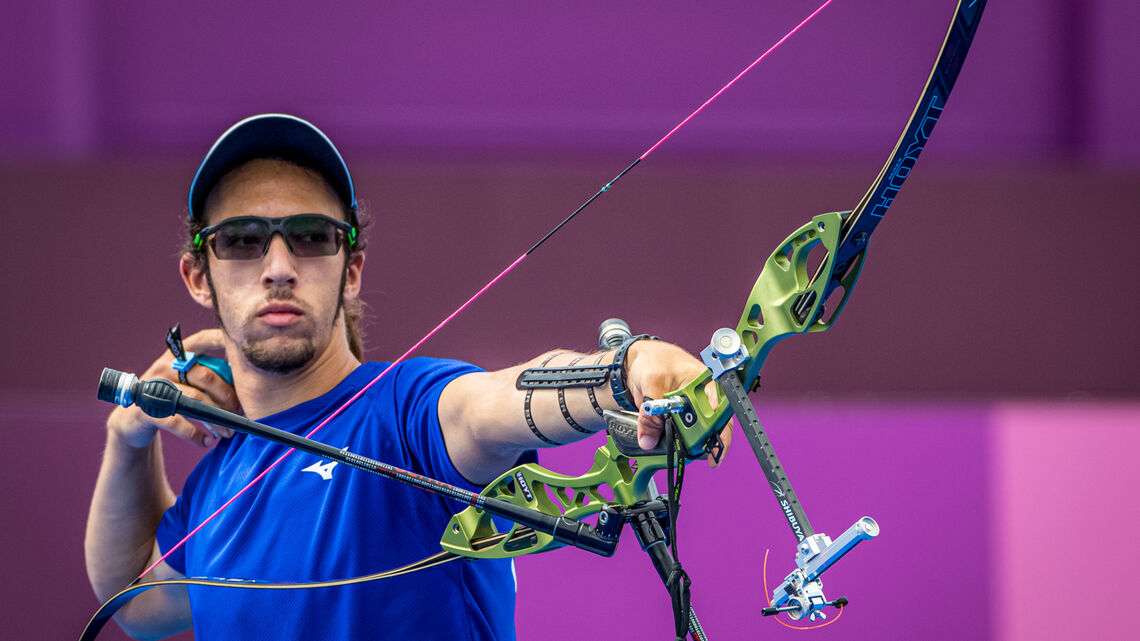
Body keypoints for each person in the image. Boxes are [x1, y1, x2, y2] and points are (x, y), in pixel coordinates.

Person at [84, 114, 725, 640]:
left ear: (352, 266)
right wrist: (128, 437)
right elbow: (132, 603)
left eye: (310, 236)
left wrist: (626, 368)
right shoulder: (221, 478)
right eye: (242, 241)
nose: (278, 265)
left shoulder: (404, 410)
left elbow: (492, 402)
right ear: (200, 276)